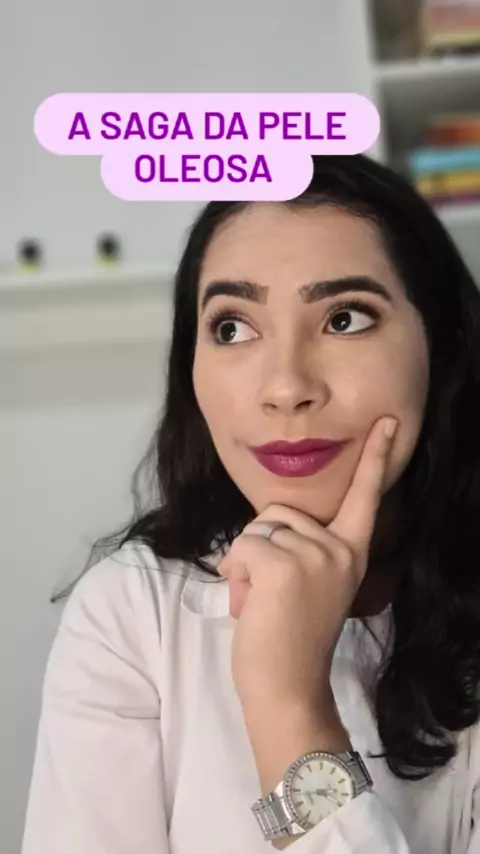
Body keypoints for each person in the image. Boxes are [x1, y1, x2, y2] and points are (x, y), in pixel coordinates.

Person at [21, 154, 480, 854]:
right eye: (233, 327)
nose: (286, 387)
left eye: (345, 318)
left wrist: (288, 707)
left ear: (441, 346)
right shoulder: (133, 612)